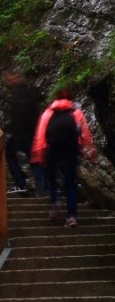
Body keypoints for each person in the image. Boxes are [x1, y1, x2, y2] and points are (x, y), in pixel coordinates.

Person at [30, 88, 97, 227]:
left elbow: (40, 135)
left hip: (52, 150)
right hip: (70, 150)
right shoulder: (76, 112)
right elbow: (85, 133)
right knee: (70, 183)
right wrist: (89, 150)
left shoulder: (48, 113)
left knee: (51, 181)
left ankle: (55, 202)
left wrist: (38, 154)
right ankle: (71, 217)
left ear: (55, 98)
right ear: (70, 99)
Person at [0, 71, 42, 194]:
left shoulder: (20, 94)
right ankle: (44, 188)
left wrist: (12, 132)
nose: (7, 82)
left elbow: (20, 116)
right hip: (30, 133)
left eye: (9, 79)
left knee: (10, 155)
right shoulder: (28, 91)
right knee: (34, 160)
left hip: (21, 134)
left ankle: (21, 183)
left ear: (16, 77)